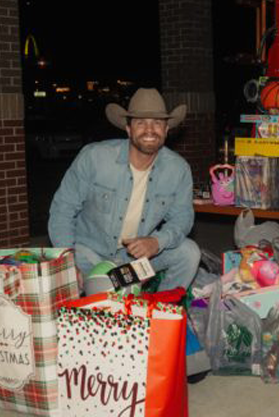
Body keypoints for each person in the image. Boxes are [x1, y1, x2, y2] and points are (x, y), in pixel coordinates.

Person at [48, 88, 201, 291]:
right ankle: (112, 291)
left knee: (189, 253)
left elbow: (183, 217)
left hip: (135, 258)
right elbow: (62, 210)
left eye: (157, 123)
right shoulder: (95, 158)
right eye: (140, 122)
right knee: (106, 290)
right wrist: (68, 264)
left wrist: (156, 241)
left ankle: (159, 311)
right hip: (89, 253)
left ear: (166, 130)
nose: (149, 130)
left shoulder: (178, 169)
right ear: (128, 129)